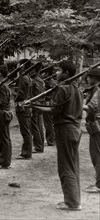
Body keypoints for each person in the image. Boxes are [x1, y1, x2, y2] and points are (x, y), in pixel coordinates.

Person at [27, 60, 83, 211]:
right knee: (73, 166)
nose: (56, 73)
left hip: (65, 130)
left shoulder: (64, 89)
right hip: (75, 130)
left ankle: (72, 203)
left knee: (66, 167)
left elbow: (53, 110)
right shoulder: (77, 89)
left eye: (59, 71)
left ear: (66, 73)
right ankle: (74, 200)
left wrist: (32, 105)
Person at [83, 67, 100, 193]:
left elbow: (92, 107)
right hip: (95, 124)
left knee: (96, 155)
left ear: (95, 78)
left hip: (97, 124)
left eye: (89, 77)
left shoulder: (97, 90)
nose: (87, 79)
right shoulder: (94, 90)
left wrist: (77, 104)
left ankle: (99, 184)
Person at [15, 59, 33, 160]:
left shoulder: (23, 77)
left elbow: (21, 93)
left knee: (25, 130)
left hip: (22, 106)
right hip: (26, 105)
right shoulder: (28, 77)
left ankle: (27, 152)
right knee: (27, 130)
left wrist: (15, 98)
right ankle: (26, 151)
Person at [29, 63, 45, 153]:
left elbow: (33, 94)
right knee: (39, 125)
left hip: (35, 105)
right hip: (40, 104)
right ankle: (40, 145)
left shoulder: (34, 81)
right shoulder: (40, 80)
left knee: (35, 126)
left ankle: (38, 146)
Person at [42, 66, 57, 146]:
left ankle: (51, 140)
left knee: (48, 123)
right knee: (50, 122)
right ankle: (51, 139)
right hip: (51, 102)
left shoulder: (49, 82)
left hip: (48, 102)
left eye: (44, 73)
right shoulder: (52, 81)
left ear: (47, 73)